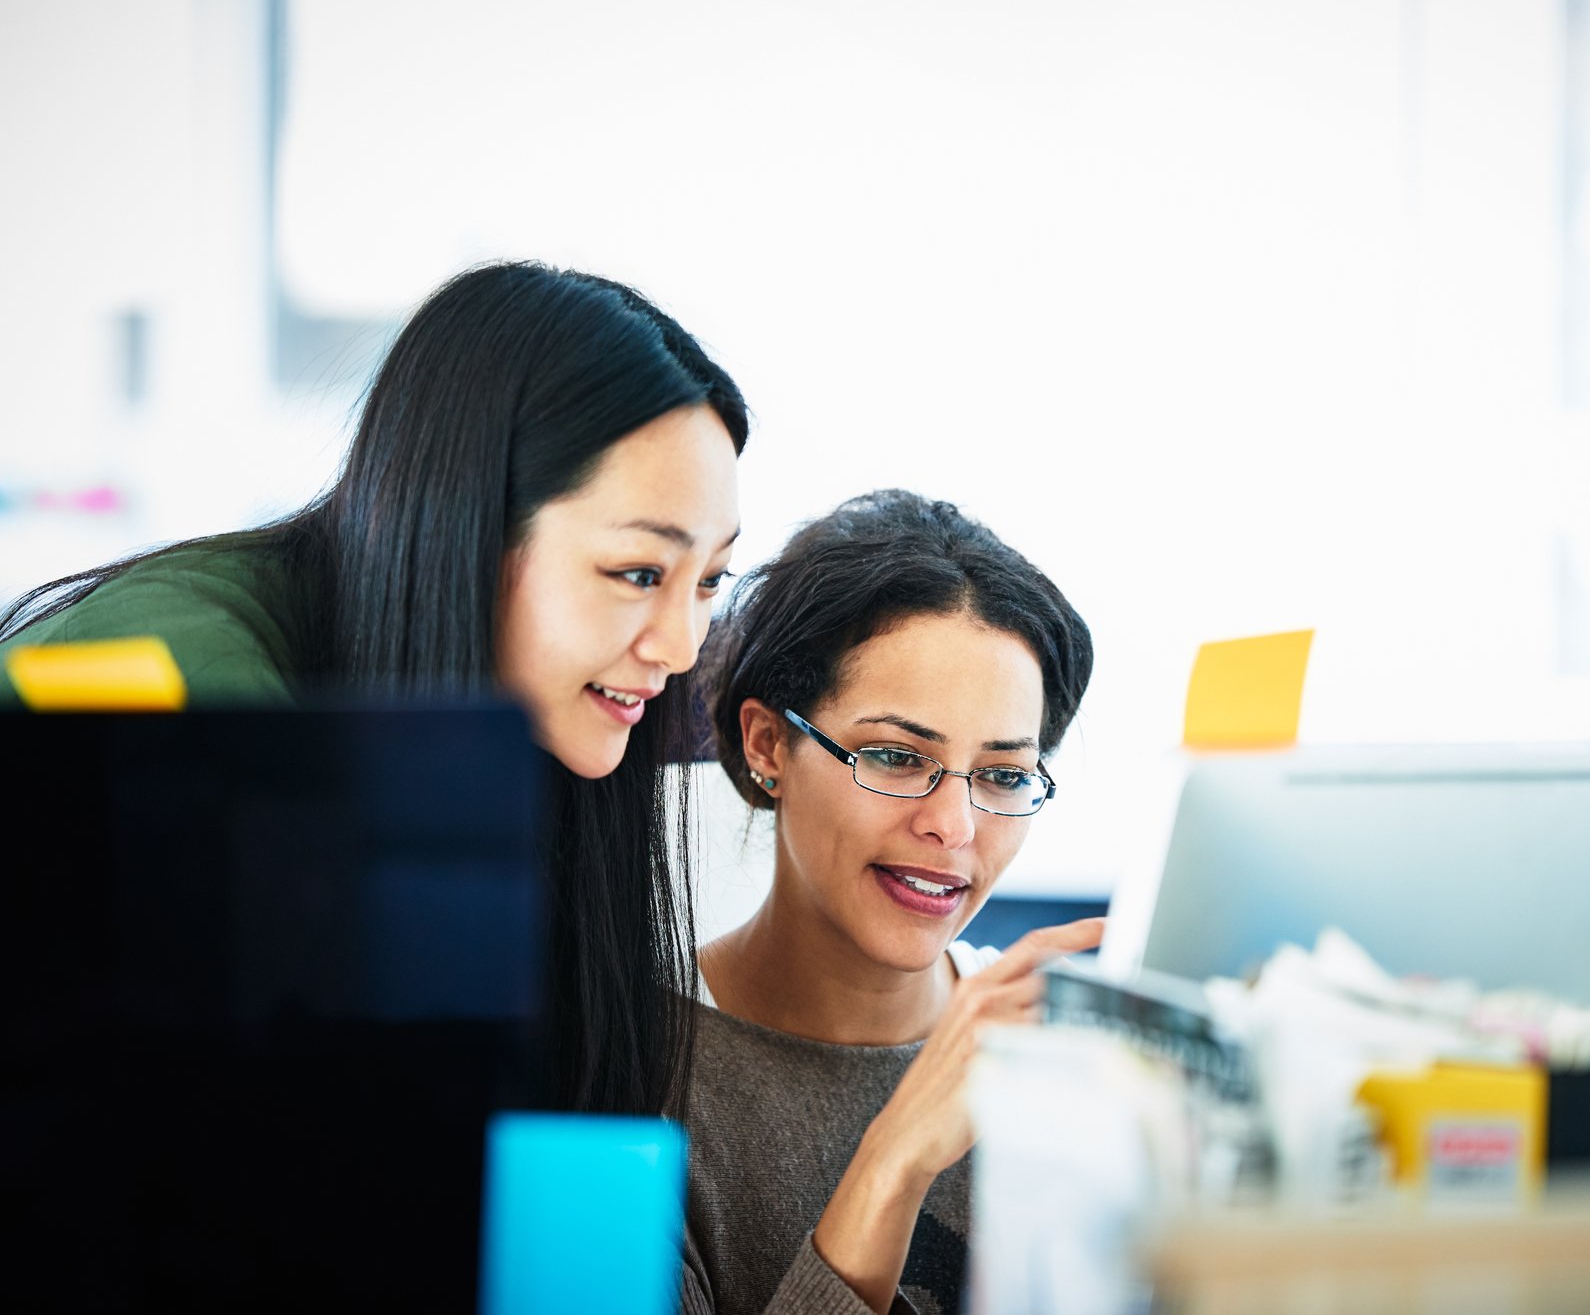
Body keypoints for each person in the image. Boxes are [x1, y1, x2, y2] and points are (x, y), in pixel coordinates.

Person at [0, 261, 746, 1115]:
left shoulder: (508, 705)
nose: (682, 645)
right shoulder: (191, 700)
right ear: (467, 526)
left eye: (710, 579)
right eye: (638, 571)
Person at [690, 488, 1098, 1315]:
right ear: (768, 743)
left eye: (1004, 774)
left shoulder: (1060, 1059)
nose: (953, 826)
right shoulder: (629, 1079)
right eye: (895, 755)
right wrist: (895, 1160)